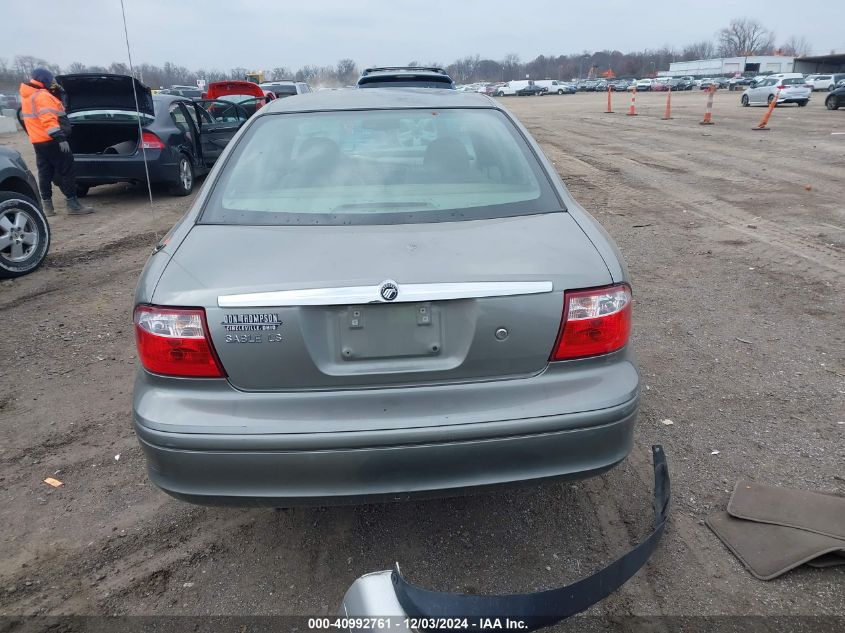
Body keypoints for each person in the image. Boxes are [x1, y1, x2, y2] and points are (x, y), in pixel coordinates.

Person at [19, 68, 94, 216]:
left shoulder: (28, 96)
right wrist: (60, 138)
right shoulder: (42, 96)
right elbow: (48, 120)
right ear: (44, 80)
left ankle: (48, 207)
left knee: (45, 173)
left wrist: (59, 93)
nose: (53, 83)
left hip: (38, 141)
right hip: (53, 140)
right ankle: (73, 205)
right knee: (67, 170)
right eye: (51, 80)